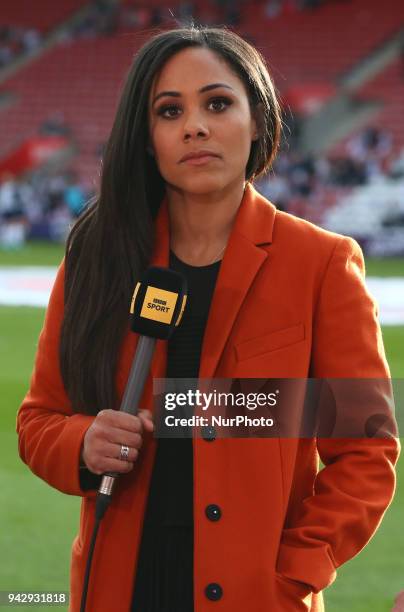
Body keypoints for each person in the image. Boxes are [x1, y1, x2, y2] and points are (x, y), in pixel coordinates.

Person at [16, 25, 399, 612]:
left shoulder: (320, 264)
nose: (195, 125)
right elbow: (38, 421)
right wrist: (82, 441)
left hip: (258, 597)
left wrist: (294, 572)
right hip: (119, 591)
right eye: (169, 111)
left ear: (259, 118)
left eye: (217, 103)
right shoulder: (96, 258)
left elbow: (366, 454)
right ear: (146, 138)